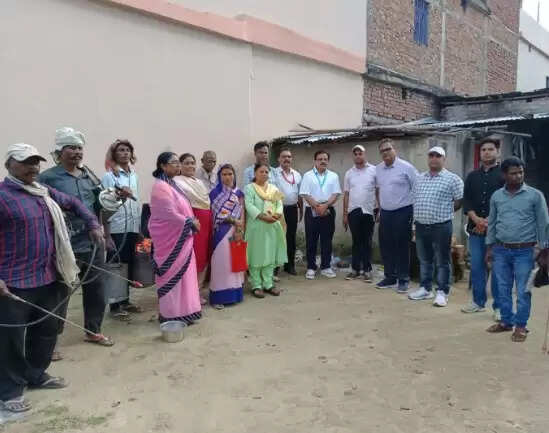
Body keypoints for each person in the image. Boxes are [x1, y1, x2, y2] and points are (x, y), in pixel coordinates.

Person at [0, 143, 103, 413]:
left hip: (49, 275)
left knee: (46, 331)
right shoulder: (2, 196)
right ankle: (9, 390)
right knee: (10, 339)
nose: (33, 167)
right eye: (26, 162)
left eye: (36, 162)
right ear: (9, 165)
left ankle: (36, 374)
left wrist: (93, 224)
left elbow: (75, 203)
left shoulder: (43, 192)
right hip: (13, 281)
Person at [39, 127, 114, 349]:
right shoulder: (47, 178)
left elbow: (100, 205)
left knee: (97, 289)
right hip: (64, 245)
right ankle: (50, 342)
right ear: (59, 152)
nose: (77, 152)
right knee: (60, 294)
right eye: (71, 148)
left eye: (79, 148)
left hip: (93, 242)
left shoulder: (88, 175)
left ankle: (93, 331)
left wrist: (115, 199)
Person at [485, 157, 549, 342]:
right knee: (502, 288)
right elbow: (493, 223)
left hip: (525, 251)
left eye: (521, 172)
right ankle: (506, 322)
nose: (518, 176)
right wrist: (489, 248)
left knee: (523, 290)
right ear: (504, 175)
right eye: (513, 173)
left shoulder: (535, 195)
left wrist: (544, 249)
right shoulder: (497, 196)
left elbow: (543, 223)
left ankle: (521, 326)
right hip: (501, 250)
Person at [149, 152, 202, 325]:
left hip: (183, 237)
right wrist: (190, 222)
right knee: (175, 279)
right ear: (163, 166)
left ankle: (187, 312)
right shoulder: (160, 186)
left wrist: (191, 221)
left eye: (178, 162)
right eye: (174, 162)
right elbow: (168, 213)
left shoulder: (172, 184)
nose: (178, 165)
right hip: (171, 240)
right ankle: (172, 314)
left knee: (186, 278)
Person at [408, 146, 464, 307]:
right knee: (424, 259)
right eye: (431, 155)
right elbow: (415, 201)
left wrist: (443, 212)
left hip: (441, 226)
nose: (434, 158)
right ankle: (425, 289)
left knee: (442, 260)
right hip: (421, 225)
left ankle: (442, 292)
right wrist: (414, 225)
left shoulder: (453, 179)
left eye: (437, 156)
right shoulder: (419, 178)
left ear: (444, 159)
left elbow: (459, 201)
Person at [461, 138, 504, 319]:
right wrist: (476, 219)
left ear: (497, 152)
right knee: (477, 266)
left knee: (497, 268)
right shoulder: (472, 176)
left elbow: (506, 202)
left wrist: (488, 221)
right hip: (475, 230)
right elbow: (467, 200)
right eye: (483, 149)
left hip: (498, 232)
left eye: (490, 149)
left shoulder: (504, 175)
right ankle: (478, 302)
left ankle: (499, 307)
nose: (487, 152)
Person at [102, 139, 143, 320]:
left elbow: (137, 201)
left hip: (132, 226)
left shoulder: (134, 175)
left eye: (127, 150)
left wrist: (139, 227)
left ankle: (125, 300)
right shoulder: (109, 176)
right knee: (116, 266)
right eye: (121, 150)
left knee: (128, 264)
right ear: (114, 154)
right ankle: (114, 305)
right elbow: (105, 204)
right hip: (117, 227)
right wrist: (107, 234)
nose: (125, 153)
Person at [375, 138, 418, 292]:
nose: (385, 153)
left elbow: (417, 189)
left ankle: (403, 279)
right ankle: (390, 277)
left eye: (388, 149)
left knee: (402, 246)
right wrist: (380, 209)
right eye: (382, 151)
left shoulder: (407, 168)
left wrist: (415, 216)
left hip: (403, 211)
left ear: (395, 149)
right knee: (386, 245)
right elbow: (378, 190)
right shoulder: (378, 169)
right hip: (385, 213)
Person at [244, 163, 287, 298]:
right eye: (261, 171)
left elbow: (279, 204)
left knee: (269, 254)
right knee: (256, 255)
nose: (264, 174)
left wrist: (277, 215)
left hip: (271, 226)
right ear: (255, 173)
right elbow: (249, 205)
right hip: (256, 226)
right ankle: (256, 285)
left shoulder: (274, 189)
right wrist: (263, 217)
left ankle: (268, 284)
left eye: (266, 172)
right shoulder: (249, 188)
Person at [175, 153, 212, 304]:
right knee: (191, 256)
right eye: (187, 163)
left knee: (203, 256)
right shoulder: (176, 181)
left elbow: (206, 201)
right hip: (191, 222)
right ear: (180, 165)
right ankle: (186, 294)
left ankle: (197, 291)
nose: (190, 166)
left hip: (205, 222)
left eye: (192, 163)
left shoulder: (200, 182)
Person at [299, 150, 341, 280]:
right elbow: (305, 193)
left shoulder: (333, 176)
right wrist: (317, 207)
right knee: (311, 240)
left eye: (325, 159)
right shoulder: (308, 175)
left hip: (328, 210)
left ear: (328, 161)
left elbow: (336, 194)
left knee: (327, 239)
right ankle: (311, 267)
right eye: (320, 159)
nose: (323, 161)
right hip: (312, 210)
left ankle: (326, 267)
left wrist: (325, 206)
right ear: (315, 161)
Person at [209, 164, 245, 308]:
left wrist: (240, 229)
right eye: (224, 174)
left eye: (230, 174)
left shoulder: (239, 193)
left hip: (236, 230)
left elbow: (242, 212)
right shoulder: (214, 193)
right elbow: (215, 215)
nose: (227, 177)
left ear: (234, 175)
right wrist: (234, 221)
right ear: (219, 176)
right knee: (221, 263)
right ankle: (218, 298)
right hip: (221, 232)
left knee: (234, 262)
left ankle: (235, 295)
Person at [343, 145, 377, 282]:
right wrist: (345, 214)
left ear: (365, 154)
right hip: (353, 211)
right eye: (355, 154)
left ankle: (367, 270)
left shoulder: (374, 170)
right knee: (356, 241)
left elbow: (378, 190)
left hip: (369, 210)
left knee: (367, 241)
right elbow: (346, 194)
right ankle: (355, 269)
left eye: (360, 153)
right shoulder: (349, 173)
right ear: (353, 156)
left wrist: (379, 208)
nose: (358, 156)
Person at [273, 148, 303, 275]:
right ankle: (274, 267)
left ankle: (289, 266)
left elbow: (299, 194)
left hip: (292, 209)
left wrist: (301, 210)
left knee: (291, 237)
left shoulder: (297, 174)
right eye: (284, 156)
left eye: (289, 157)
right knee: (277, 237)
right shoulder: (273, 173)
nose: (287, 159)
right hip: (277, 209)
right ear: (279, 159)